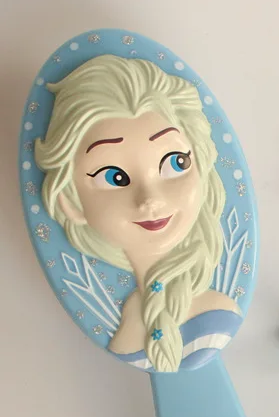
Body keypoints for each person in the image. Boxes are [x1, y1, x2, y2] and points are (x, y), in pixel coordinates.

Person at [35, 55, 240, 372]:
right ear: (70, 201)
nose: (150, 199)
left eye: (176, 162)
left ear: (202, 166)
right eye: (114, 177)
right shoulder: (124, 315)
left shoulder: (217, 313)